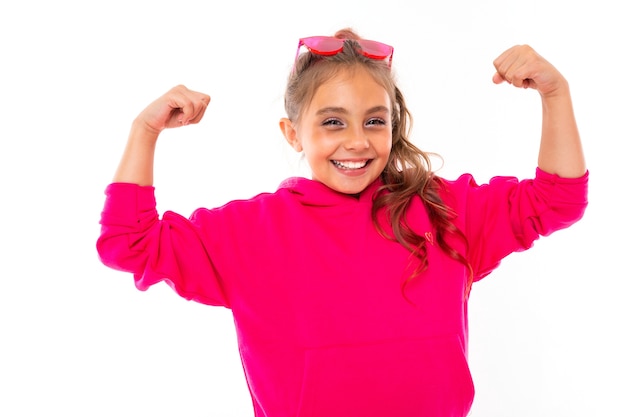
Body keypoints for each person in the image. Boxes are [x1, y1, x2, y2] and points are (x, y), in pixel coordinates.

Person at [96, 28, 588, 417]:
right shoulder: (249, 232)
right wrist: (145, 131)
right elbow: (128, 242)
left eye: (375, 121)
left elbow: (558, 199)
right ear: (293, 134)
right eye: (333, 122)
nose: (357, 141)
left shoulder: (445, 211)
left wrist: (555, 92)